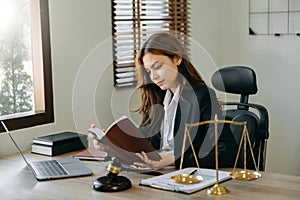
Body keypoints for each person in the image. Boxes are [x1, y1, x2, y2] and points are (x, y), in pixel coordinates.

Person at [90, 32, 237, 170]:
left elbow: (227, 152)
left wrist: (173, 159)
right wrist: (111, 146)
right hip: (157, 176)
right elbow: (141, 146)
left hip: (185, 178)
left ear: (177, 58)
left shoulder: (201, 96)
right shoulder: (157, 99)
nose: (153, 77)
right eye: (148, 71)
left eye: (158, 67)